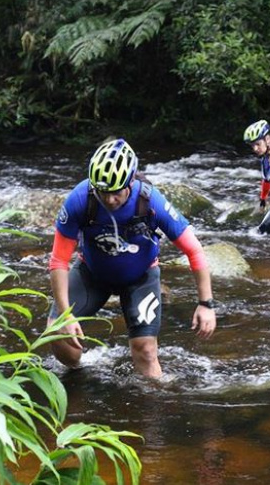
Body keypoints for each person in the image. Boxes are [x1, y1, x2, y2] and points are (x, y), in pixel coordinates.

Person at [47, 138, 216, 378]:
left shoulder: (151, 201)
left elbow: (194, 250)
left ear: (131, 181)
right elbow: (58, 261)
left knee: (145, 351)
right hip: (92, 274)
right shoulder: (80, 199)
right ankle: (80, 378)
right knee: (58, 334)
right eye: (103, 192)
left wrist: (206, 304)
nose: (109, 199)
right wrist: (65, 315)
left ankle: (153, 405)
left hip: (141, 277)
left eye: (116, 193)